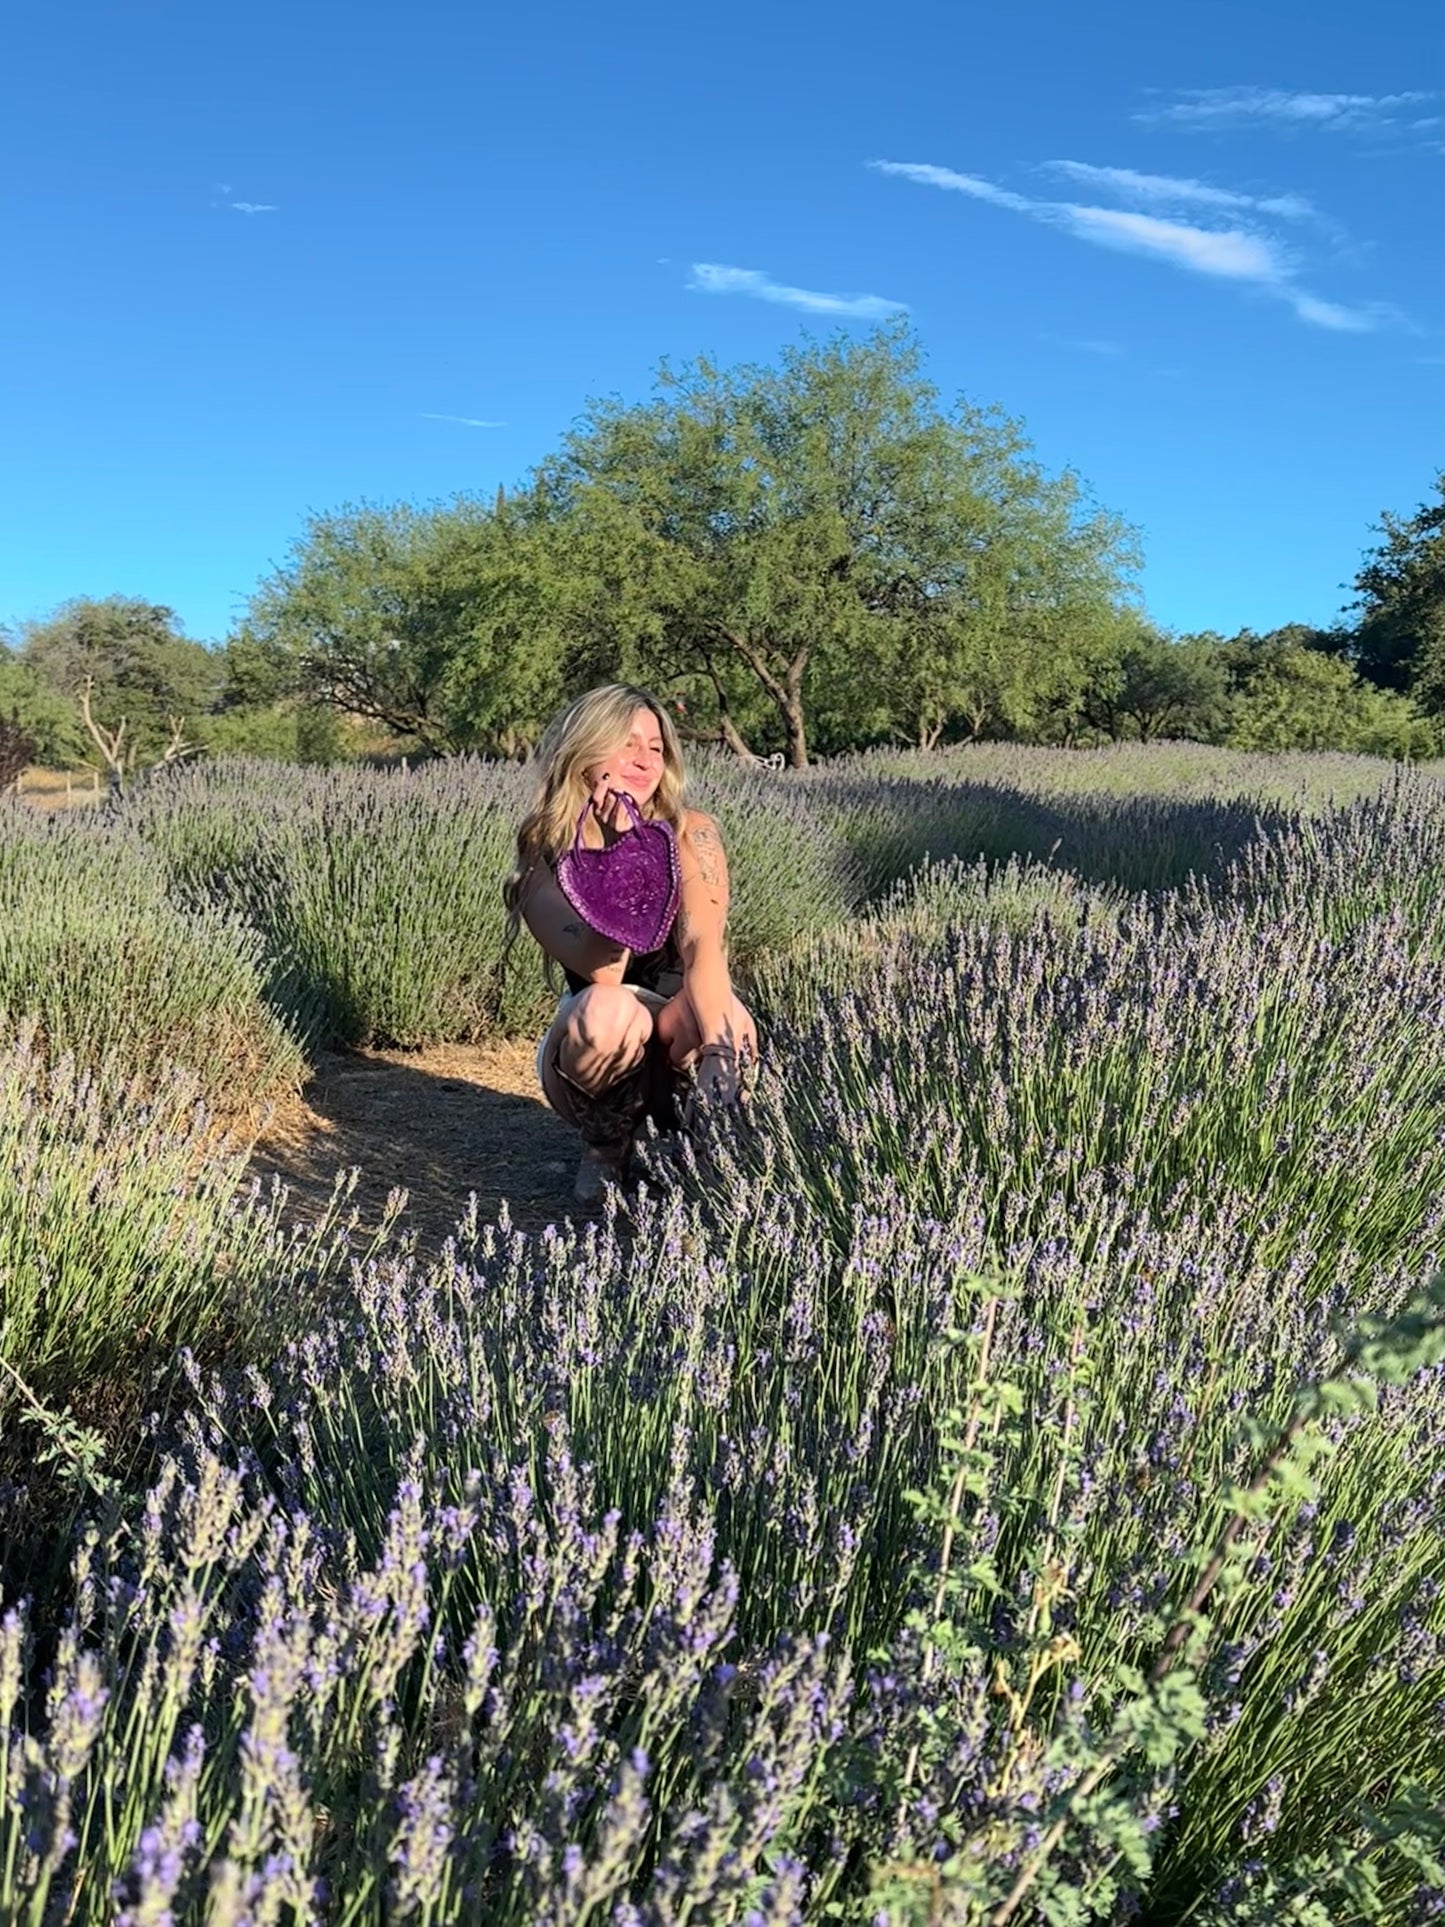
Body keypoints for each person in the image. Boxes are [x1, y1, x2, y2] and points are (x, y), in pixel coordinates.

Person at [502, 684, 759, 1203]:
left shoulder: (692, 833)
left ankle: (702, 1139)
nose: (644, 761)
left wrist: (718, 1051)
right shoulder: (544, 855)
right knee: (608, 1010)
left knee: (723, 1013)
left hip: (679, 1031)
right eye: (627, 743)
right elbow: (603, 973)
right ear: (585, 752)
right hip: (593, 1050)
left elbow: (703, 946)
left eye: (656, 747)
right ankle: (606, 1144)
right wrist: (624, 862)